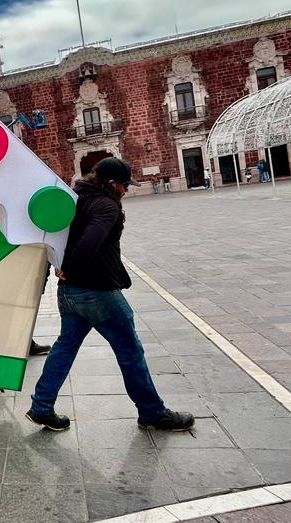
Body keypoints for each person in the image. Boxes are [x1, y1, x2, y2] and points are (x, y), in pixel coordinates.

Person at [26, 157, 194, 433]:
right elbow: (90, 242)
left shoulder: (76, 197)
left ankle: (41, 406)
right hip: (97, 292)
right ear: (112, 183)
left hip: (69, 293)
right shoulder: (106, 205)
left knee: (64, 348)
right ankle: (152, 413)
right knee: (130, 351)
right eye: (124, 185)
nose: (126, 191)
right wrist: (69, 267)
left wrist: (63, 267)